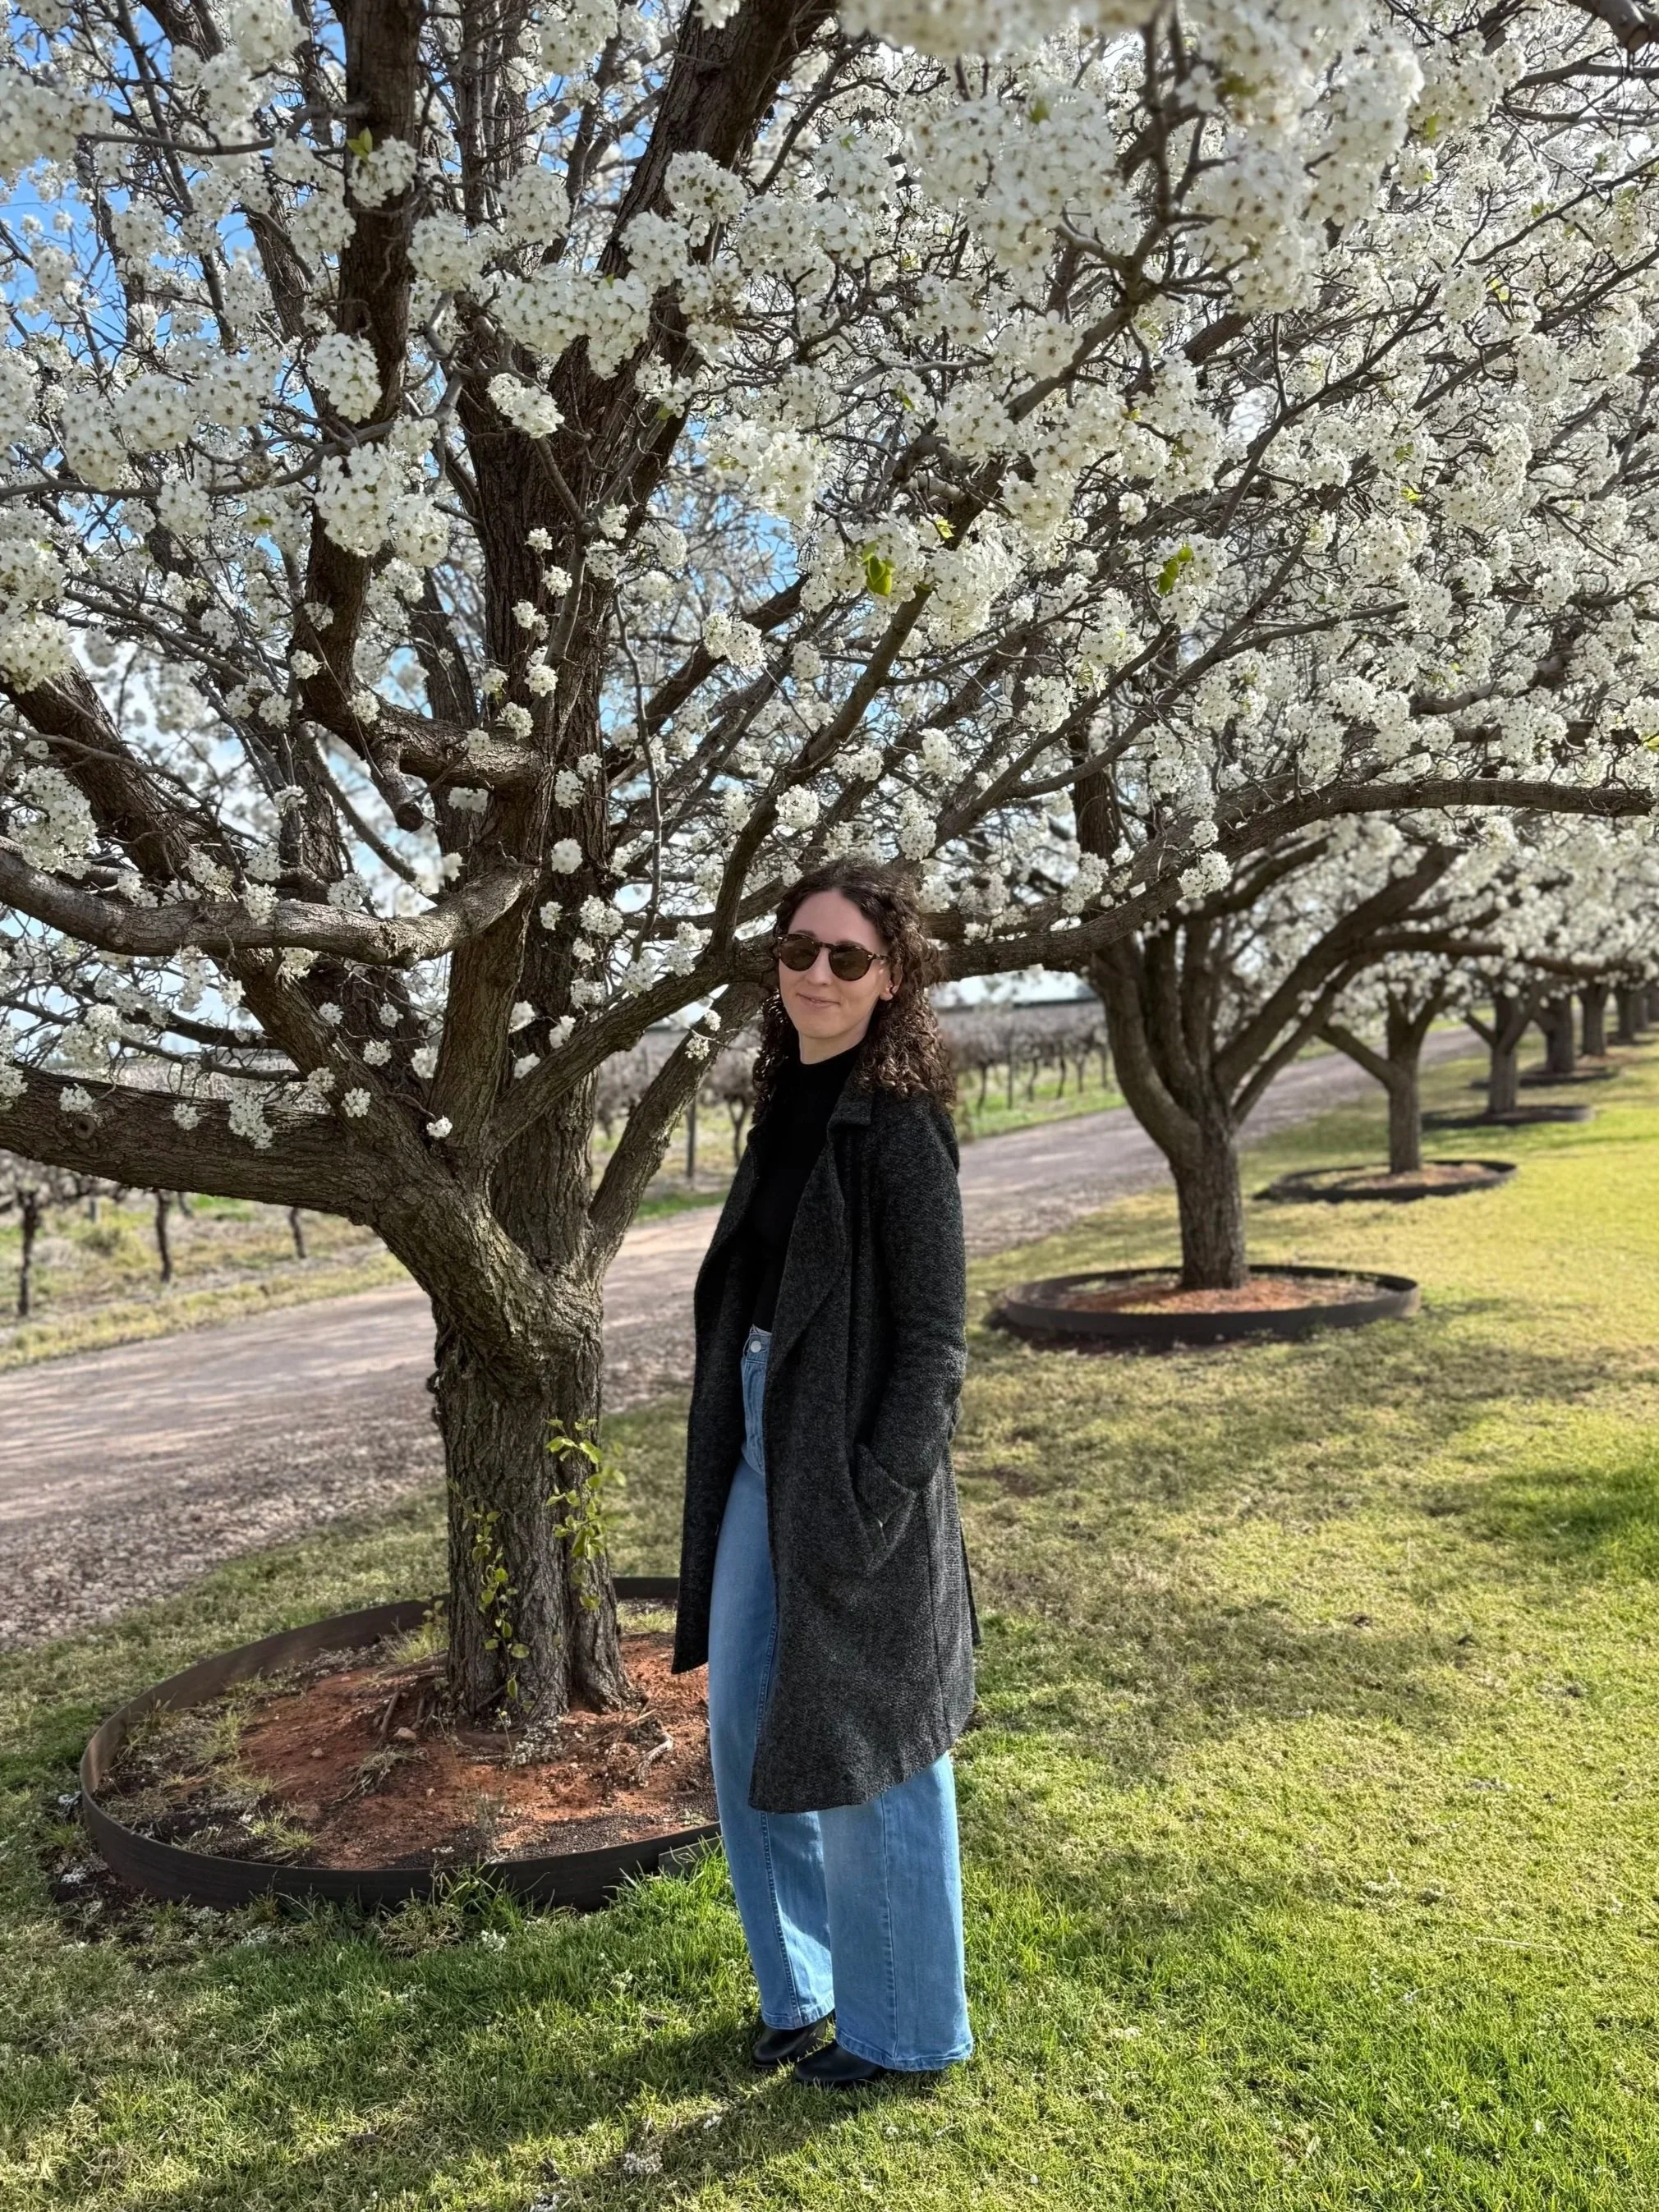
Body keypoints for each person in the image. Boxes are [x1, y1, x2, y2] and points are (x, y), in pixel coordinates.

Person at [671, 857, 981, 2090]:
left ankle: (902, 2027)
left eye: (847, 956)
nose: (817, 973)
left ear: (892, 974)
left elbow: (937, 1344)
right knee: (746, 1708)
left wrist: (880, 1484)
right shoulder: (780, 1092)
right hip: (760, 1437)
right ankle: (798, 1986)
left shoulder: (901, 1124)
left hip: (852, 1458)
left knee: (877, 1736)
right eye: (799, 949)